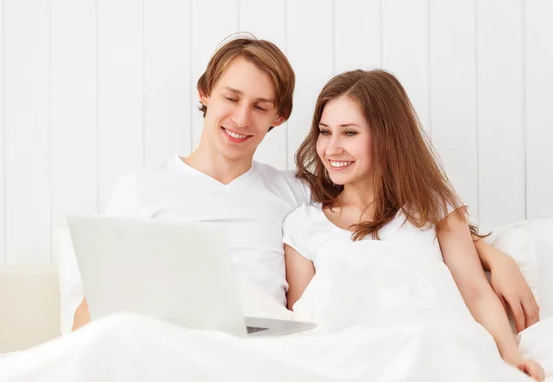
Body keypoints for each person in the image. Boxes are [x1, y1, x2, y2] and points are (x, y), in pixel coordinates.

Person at [72, 35, 539, 335]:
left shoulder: (297, 192)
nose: (240, 118)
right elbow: (97, 301)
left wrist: (490, 254)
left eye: (260, 106)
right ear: (204, 94)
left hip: (263, 347)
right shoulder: (141, 188)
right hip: (167, 338)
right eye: (231, 98)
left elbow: (388, 215)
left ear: (280, 117)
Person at [281, 69, 545, 381]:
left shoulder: (433, 208)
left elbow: (474, 291)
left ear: (386, 137)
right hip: (354, 358)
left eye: (349, 133)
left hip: (431, 342)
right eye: (325, 132)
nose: (331, 148)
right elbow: (306, 320)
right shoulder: (303, 224)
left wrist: (511, 356)